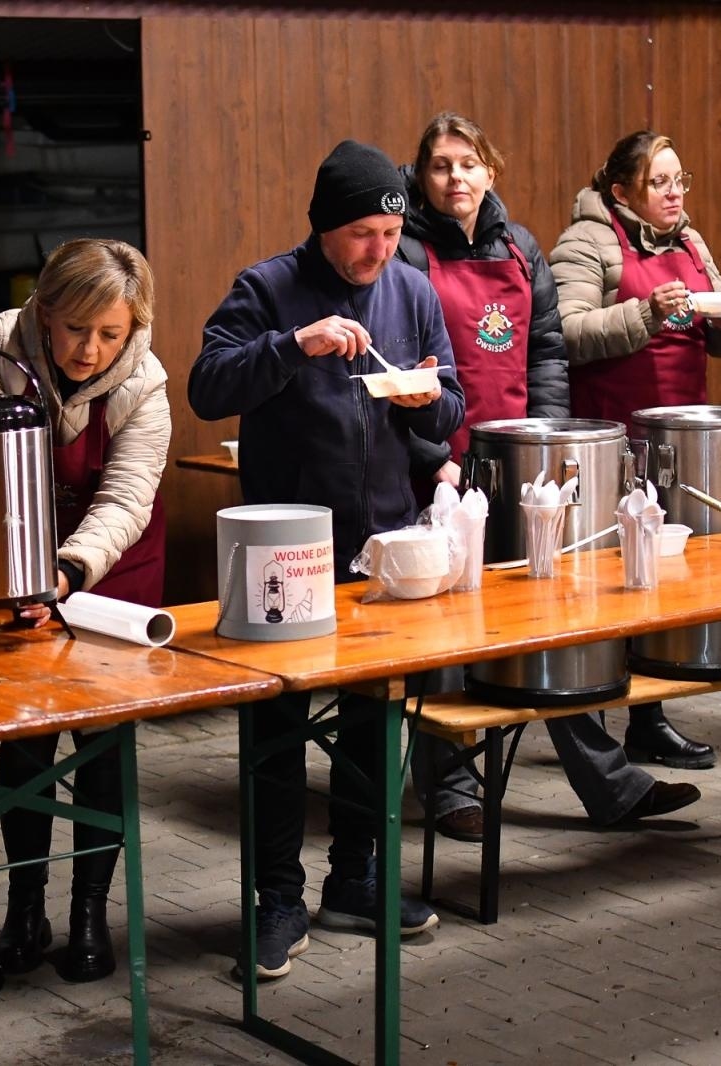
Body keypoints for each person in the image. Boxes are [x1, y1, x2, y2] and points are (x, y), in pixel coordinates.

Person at [190, 138, 466, 982]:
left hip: (383, 548)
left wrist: (429, 404)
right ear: (322, 228)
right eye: (361, 235)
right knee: (276, 730)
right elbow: (208, 386)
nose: (378, 252)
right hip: (286, 548)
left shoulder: (412, 289)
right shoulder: (268, 287)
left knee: (374, 723)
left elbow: (450, 403)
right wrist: (291, 346)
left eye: (389, 234)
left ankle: (357, 879)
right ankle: (275, 898)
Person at [395, 113, 698, 844]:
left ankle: (611, 785)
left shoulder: (521, 246)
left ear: (490, 171)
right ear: (422, 177)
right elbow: (398, 370)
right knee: (444, 634)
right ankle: (451, 787)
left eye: (469, 163)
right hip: (439, 464)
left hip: (522, 468)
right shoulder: (402, 252)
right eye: (440, 166)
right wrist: (429, 457)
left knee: (555, 624)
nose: (456, 178)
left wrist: (551, 447)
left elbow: (548, 355)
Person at [0, 238, 169, 984]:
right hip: (15, 565)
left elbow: (126, 497)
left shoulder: (143, 381)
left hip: (111, 570)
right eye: (77, 328)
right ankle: (24, 913)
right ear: (45, 313)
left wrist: (70, 568)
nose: (91, 348)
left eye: (110, 333)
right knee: (27, 739)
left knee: (101, 738)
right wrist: (21, 577)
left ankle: (88, 913)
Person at [550, 129, 721, 772]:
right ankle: (598, 711)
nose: (675, 193)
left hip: (683, 434)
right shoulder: (587, 240)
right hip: (617, 436)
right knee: (615, 579)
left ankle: (649, 719)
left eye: (681, 180)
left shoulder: (690, 239)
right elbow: (567, 332)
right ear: (621, 191)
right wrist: (643, 311)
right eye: (660, 182)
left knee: (665, 579)